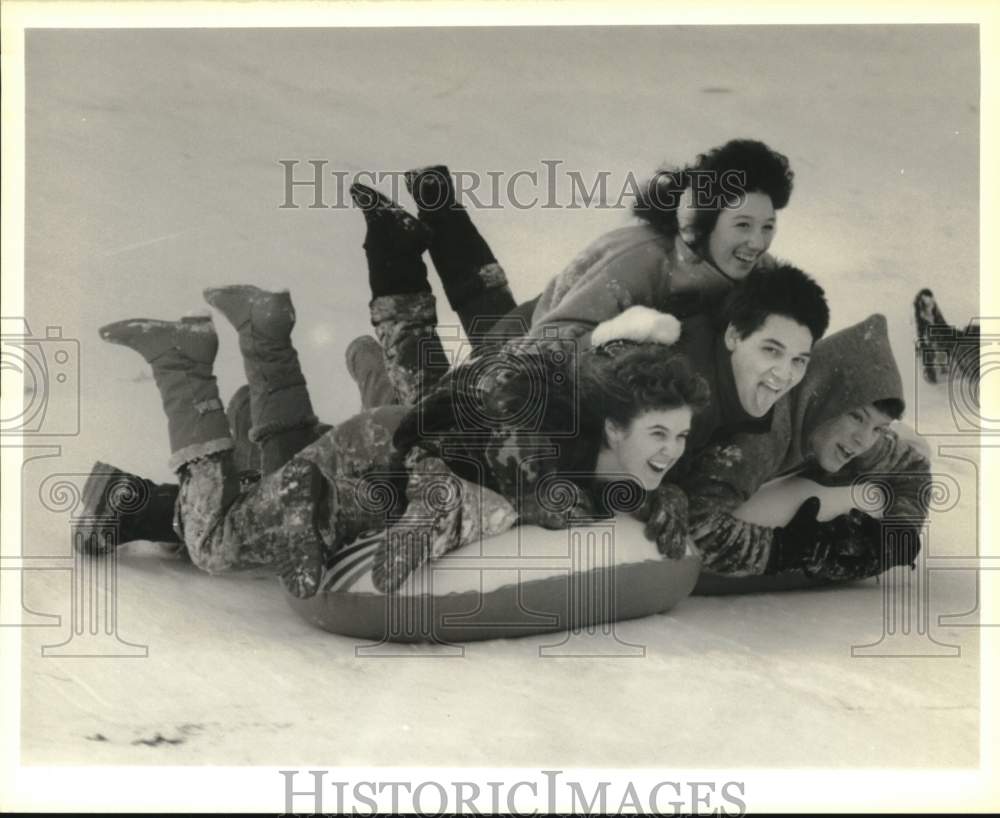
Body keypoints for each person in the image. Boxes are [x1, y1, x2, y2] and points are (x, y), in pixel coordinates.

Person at [92, 280, 711, 599]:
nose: (671, 450)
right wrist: (428, 525)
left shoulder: (612, 468)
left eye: (680, 435)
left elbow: (626, 495)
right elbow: (455, 482)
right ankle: (182, 362)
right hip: (376, 456)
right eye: (659, 433)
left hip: (386, 455)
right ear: (612, 428)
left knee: (273, 468)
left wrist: (667, 501)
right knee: (215, 544)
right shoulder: (539, 458)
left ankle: (263, 336)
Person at [678, 313, 932, 580]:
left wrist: (900, 532)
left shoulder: (853, 436)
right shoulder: (760, 436)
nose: (864, 440)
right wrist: (786, 549)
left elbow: (913, 469)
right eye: (856, 417)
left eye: (879, 428)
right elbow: (694, 526)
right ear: (823, 402)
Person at [525, 139, 795, 344]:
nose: (757, 243)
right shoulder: (639, 260)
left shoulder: (763, 271)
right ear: (704, 221)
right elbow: (545, 343)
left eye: (768, 226)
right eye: (743, 225)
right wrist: (622, 340)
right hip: (523, 351)